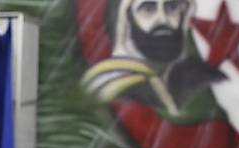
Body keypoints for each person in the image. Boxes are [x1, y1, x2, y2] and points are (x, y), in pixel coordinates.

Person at [82, 0, 224, 113]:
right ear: (127, 19)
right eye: (148, 8)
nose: (162, 19)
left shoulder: (191, 74)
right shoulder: (115, 85)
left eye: (172, 7)